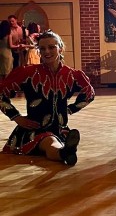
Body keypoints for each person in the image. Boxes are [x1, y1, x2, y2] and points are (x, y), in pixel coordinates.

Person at [0, 31, 94, 165]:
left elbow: (89, 94)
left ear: (60, 48)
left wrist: (70, 109)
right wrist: (16, 117)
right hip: (33, 130)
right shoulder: (27, 73)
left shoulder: (72, 75)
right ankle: (64, 153)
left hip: (60, 129)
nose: (46, 52)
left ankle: (66, 151)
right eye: (42, 48)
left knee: (54, 140)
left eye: (51, 47)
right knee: (50, 141)